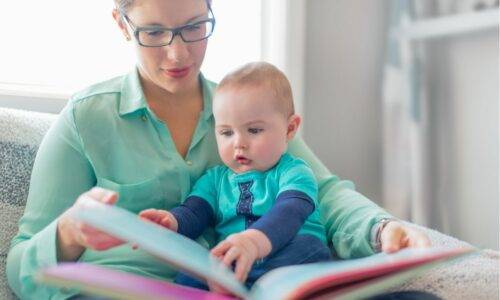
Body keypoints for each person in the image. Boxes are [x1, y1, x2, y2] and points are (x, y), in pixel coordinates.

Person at [6, 0, 430, 299]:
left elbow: (326, 193)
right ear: (121, 24)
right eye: (154, 32)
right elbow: (21, 268)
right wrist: (69, 233)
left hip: (236, 283)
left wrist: (381, 229)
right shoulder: (85, 119)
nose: (178, 52)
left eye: (194, 26)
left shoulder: (246, 112)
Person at [139, 62, 332, 290]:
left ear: (290, 129)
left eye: (254, 130)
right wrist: (171, 222)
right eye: (227, 132)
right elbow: (193, 212)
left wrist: (252, 242)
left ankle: (240, 285)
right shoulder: (214, 180)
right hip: (234, 262)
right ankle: (232, 286)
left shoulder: (293, 171)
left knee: (309, 248)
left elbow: (290, 212)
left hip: (290, 254)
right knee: (188, 277)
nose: (239, 143)